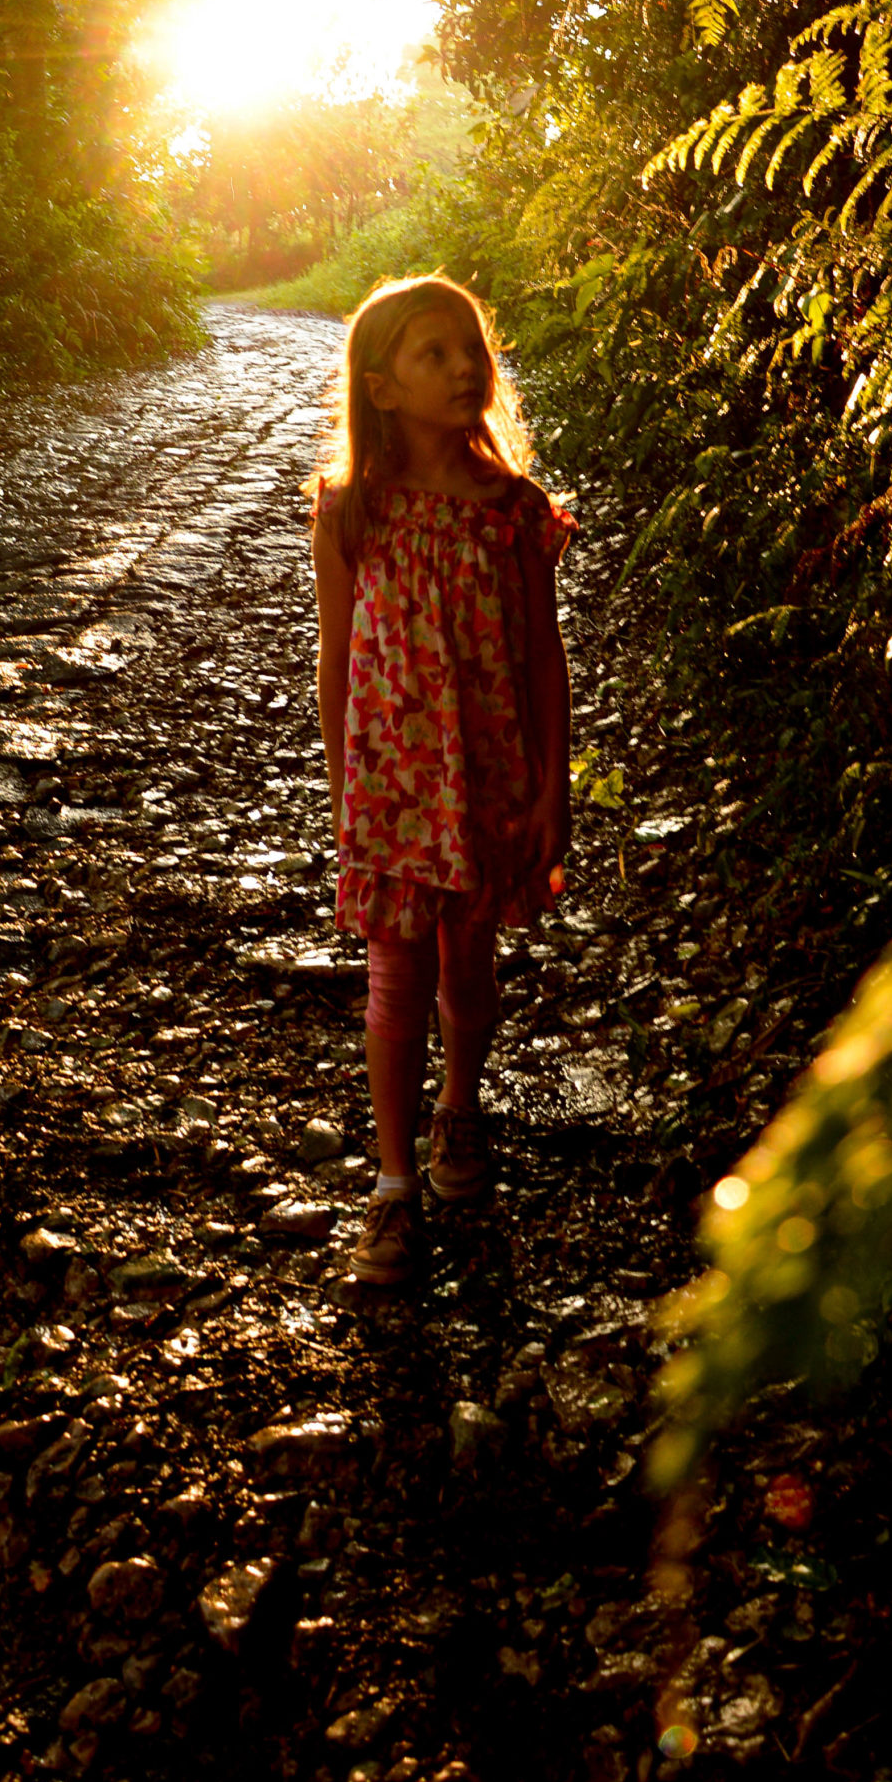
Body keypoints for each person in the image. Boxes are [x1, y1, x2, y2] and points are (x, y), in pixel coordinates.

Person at [310, 274, 574, 1287]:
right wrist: (345, 789)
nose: (467, 367)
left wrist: (552, 786)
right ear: (381, 386)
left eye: (474, 349)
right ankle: (390, 1184)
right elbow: (335, 659)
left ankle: (458, 1114)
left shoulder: (510, 510)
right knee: (394, 975)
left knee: (468, 967)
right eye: (436, 353)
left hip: (490, 769)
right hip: (392, 785)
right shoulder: (350, 509)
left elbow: (542, 654)